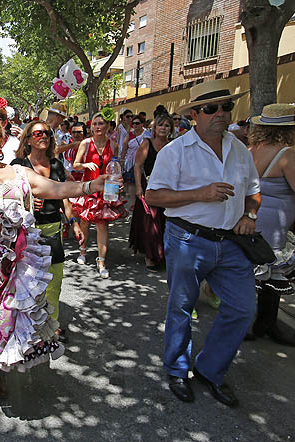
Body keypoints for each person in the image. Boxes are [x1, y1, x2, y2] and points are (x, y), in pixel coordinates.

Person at [0, 116, 107, 423]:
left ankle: (1, 373)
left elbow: (55, 188)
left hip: (21, 267)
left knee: (11, 320)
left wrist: (89, 186)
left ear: (3, 138)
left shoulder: (19, 173)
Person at [145, 79, 257, 407]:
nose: (220, 114)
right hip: (187, 239)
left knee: (242, 308)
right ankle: (178, 369)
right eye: (211, 108)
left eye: (226, 107)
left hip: (232, 242)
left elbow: (253, 190)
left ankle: (210, 369)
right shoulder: (175, 151)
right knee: (182, 307)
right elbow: (153, 196)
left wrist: (249, 213)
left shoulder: (239, 149)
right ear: (195, 114)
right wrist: (200, 194)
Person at [11, 120, 83, 341]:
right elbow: (10, 198)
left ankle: (51, 326)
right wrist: (28, 202)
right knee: (25, 282)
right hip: (26, 231)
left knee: (54, 281)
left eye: (47, 133)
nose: (43, 136)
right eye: (37, 133)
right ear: (28, 139)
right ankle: (26, 326)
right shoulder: (18, 165)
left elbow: (64, 198)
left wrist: (74, 223)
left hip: (52, 229)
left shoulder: (56, 164)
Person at [246, 103, 295, 346]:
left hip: (252, 218)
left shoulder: (250, 150)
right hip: (274, 223)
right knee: (272, 274)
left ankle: (248, 323)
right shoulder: (287, 154)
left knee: (253, 272)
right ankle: (266, 322)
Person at [70, 112, 128, 278]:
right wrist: (85, 164)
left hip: (107, 190)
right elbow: (76, 164)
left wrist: (119, 180)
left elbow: (117, 166)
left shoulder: (114, 144)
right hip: (89, 188)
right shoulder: (86, 143)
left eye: (101, 123)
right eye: (95, 124)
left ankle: (101, 261)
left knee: (102, 225)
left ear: (108, 126)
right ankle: (82, 251)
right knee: (85, 222)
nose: (97, 127)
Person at [129, 113, 173, 271]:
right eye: (160, 125)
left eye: (167, 125)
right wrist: (139, 188)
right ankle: (150, 256)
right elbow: (137, 166)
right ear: (154, 128)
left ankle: (161, 254)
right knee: (151, 223)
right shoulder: (147, 144)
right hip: (149, 188)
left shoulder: (173, 145)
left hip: (168, 189)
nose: (163, 128)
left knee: (164, 222)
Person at [123, 115, 147, 201]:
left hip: (144, 161)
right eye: (133, 123)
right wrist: (122, 161)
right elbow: (124, 149)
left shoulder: (147, 134)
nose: (135, 125)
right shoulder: (129, 135)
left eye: (137, 123)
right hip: (130, 162)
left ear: (142, 124)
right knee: (131, 182)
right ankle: (133, 201)